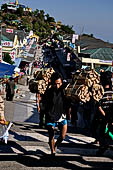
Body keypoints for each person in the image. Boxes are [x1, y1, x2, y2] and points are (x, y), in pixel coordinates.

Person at [43, 72, 71, 156]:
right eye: (55, 84)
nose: (57, 86)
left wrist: (69, 113)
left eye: (59, 83)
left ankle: (55, 145)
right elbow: (45, 103)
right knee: (51, 134)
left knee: (62, 136)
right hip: (51, 116)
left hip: (62, 116)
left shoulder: (64, 90)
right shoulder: (49, 92)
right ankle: (53, 151)